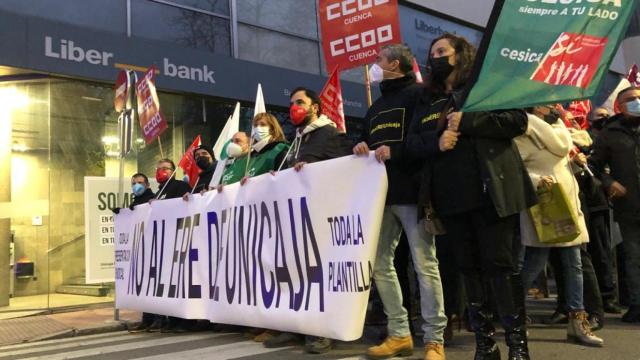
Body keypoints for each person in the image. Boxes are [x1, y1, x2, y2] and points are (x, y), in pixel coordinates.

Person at [406, 33, 537, 360]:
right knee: (469, 271)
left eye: (442, 51)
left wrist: (470, 120)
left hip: (490, 193)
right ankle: (485, 345)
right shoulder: (427, 99)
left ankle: (517, 347)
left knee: (499, 267)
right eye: (431, 52)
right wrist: (436, 141)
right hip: (449, 198)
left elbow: (517, 121)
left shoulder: (487, 85)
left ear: (461, 54)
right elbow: (412, 143)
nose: (434, 56)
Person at [353, 43, 446, 360]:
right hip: (381, 197)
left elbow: (429, 138)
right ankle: (400, 333)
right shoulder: (375, 107)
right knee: (379, 264)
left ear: (394, 64)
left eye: (378, 60)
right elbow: (363, 137)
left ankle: (434, 340)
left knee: (424, 265)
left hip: (412, 192)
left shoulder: (420, 95)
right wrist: (361, 145)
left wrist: (396, 150)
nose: (374, 64)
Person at [263, 87, 351, 354]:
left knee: (318, 274)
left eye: (300, 102)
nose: (293, 107)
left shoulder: (329, 133)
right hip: (299, 215)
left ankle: (322, 331)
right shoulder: (298, 139)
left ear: (315, 107)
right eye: (291, 103)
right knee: (296, 272)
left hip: (322, 212)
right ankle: (296, 327)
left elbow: (341, 166)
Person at [516, 105, 603, 346]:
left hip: (566, 203)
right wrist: (537, 181)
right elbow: (517, 169)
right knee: (534, 264)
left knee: (573, 264)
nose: (553, 105)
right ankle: (515, 315)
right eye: (546, 102)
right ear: (534, 106)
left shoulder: (559, 127)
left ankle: (577, 321)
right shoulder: (522, 131)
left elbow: (560, 162)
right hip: (544, 205)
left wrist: (574, 166)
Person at [589, 86, 640, 323]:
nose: (637, 102)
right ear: (619, 106)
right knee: (633, 257)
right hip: (630, 206)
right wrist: (609, 183)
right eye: (631, 100)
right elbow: (594, 166)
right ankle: (637, 305)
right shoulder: (610, 132)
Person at [153, 158, 192, 332]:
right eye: (159, 168)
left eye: (165, 168)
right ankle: (172, 319)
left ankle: (185, 321)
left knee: (180, 281)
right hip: (166, 241)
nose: (161, 171)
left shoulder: (179, 186)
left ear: (173, 171)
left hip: (180, 237)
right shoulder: (159, 191)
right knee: (170, 284)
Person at [117, 173, 160, 333]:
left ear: (147, 185)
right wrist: (122, 214)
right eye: (134, 183)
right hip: (140, 248)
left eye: (140, 182)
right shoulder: (135, 203)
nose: (137, 185)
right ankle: (147, 319)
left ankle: (158, 319)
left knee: (152, 286)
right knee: (144, 287)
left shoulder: (153, 199)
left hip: (151, 248)